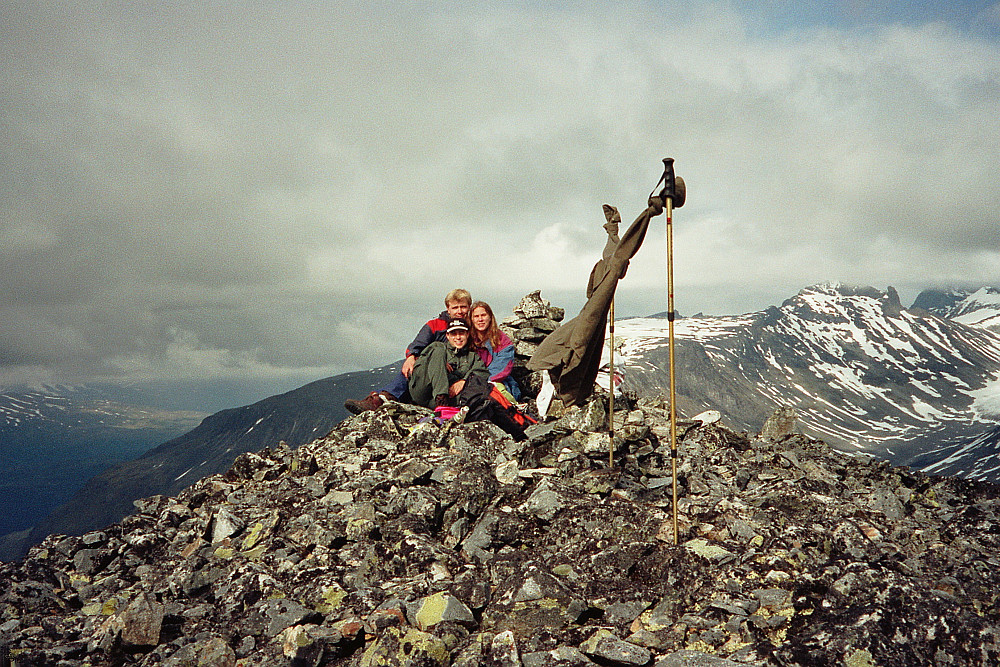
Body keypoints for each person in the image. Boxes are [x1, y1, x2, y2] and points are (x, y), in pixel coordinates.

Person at [344, 288, 472, 414]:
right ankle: (382, 399)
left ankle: (387, 398)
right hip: (428, 372)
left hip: (453, 376)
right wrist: (413, 358)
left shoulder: (472, 329)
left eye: (463, 307)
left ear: (469, 307)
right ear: (448, 309)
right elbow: (416, 346)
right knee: (413, 366)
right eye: (455, 307)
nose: (459, 311)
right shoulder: (435, 325)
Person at [407, 318, 489, 408]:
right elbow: (421, 364)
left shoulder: (472, 356)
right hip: (422, 390)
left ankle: (444, 406)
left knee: (476, 393)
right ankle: (441, 397)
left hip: (447, 397)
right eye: (453, 334)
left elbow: (482, 372)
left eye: (461, 333)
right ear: (447, 336)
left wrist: (464, 381)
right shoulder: (437, 347)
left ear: (467, 334)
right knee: (438, 351)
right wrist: (438, 361)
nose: (458, 337)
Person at [469, 300, 521, 400]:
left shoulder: (502, 340)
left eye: (483, 315)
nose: (480, 319)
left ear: (490, 317)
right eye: (476, 316)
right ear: (471, 319)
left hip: (497, 383)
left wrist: (478, 382)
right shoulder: (468, 340)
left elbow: (500, 370)